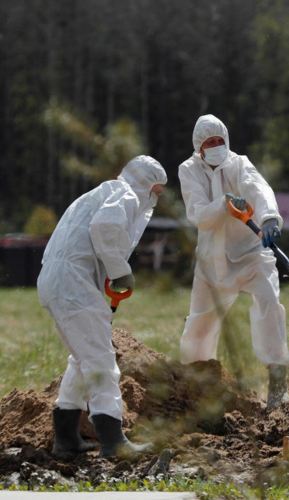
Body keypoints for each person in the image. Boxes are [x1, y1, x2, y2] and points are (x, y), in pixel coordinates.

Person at [38, 155, 167, 459]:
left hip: (56, 279)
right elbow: (106, 227)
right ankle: (113, 441)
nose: (156, 198)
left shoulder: (98, 193)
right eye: (156, 190)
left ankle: (66, 438)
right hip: (73, 284)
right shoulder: (124, 194)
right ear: (144, 183)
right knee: (100, 360)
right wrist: (120, 269)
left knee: (82, 358)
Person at [178, 114, 289, 410]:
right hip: (212, 262)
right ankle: (197, 388)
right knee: (200, 325)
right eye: (209, 142)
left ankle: (278, 388)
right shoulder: (188, 170)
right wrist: (224, 204)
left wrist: (268, 218)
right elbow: (199, 215)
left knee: (269, 306)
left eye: (219, 141)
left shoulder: (239, 163)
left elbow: (258, 187)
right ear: (198, 147)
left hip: (252, 253)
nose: (216, 146)